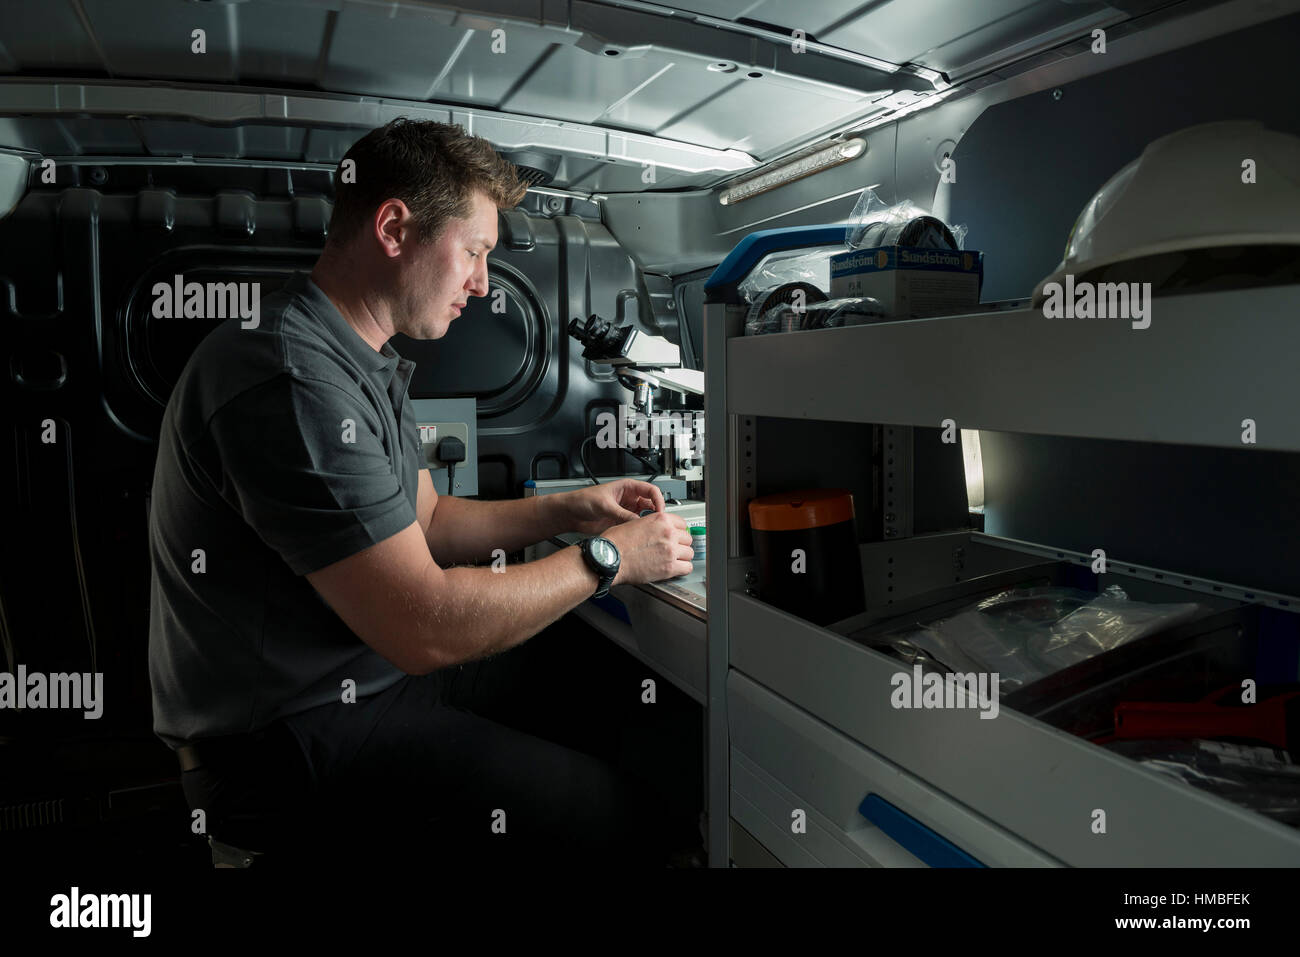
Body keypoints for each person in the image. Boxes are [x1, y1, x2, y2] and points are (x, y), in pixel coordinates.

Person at [147, 117, 697, 867]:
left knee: (605, 686)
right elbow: (425, 628)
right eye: (473, 252)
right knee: (609, 816)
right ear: (394, 227)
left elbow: (429, 519)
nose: (482, 282)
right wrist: (606, 558)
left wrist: (571, 510)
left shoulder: (360, 356)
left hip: (365, 683)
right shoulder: (290, 377)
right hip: (282, 745)